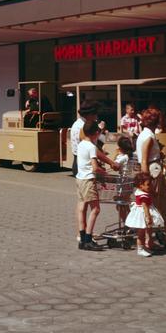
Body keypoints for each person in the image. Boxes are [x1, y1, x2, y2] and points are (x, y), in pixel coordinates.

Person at [136, 108, 166, 246]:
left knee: (165, 205)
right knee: (154, 206)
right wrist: (146, 181)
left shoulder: (145, 135)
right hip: (152, 173)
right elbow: (144, 160)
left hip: (154, 172)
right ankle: (150, 240)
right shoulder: (148, 137)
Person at [76, 121, 107, 251]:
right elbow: (94, 167)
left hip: (79, 179)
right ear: (95, 133)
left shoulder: (81, 144)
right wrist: (103, 171)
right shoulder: (91, 147)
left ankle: (82, 239)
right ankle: (88, 239)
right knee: (95, 209)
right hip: (88, 180)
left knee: (82, 207)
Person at [125, 172, 164, 257]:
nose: (150, 186)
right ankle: (140, 249)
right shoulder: (143, 195)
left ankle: (143, 247)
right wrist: (148, 216)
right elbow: (145, 207)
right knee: (141, 234)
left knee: (142, 233)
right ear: (140, 185)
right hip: (142, 214)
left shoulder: (141, 192)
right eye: (148, 184)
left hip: (142, 213)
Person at [71, 101, 98, 177]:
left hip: (81, 162)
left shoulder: (80, 124)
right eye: (95, 114)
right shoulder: (82, 127)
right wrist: (111, 162)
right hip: (84, 165)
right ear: (89, 114)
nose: (96, 117)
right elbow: (89, 146)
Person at [115, 135, 135, 223]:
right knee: (125, 204)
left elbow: (115, 165)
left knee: (120, 205)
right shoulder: (132, 156)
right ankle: (130, 222)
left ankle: (126, 223)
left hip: (122, 183)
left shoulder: (123, 157)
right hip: (129, 182)